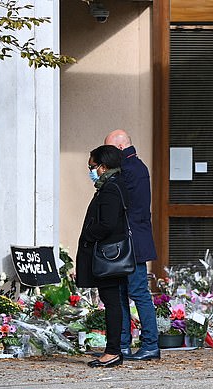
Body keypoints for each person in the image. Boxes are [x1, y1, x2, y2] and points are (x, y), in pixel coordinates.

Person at [104, 129, 160, 361]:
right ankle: (124, 344)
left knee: (137, 292)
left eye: (107, 150)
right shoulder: (136, 167)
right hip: (133, 241)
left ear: (118, 148)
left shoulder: (128, 171)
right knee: (123, 293)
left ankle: (149, 344)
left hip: (131, 243)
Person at [76, 145, 129, 368]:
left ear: (103, 166)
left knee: (112, 302)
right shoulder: (112, 185)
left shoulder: (110, 188)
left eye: (92, 166)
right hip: (110, 254)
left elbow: (106, 223)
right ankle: (114, 350)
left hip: (107, 256)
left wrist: (88, 235)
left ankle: (113, 351)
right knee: (113, 301)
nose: (90, 171)